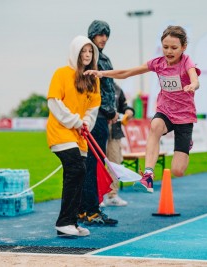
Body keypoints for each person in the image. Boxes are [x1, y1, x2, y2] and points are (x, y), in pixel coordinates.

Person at [85, 25, 200, 193]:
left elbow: (195, 78)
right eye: (165, 47)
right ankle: (148, 175)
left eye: (174, 48)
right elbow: (128, 72)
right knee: (155, 126)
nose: (169, 51)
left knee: (178, 171)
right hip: (165, 111)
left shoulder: (186, 61)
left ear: (183, 47)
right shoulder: (158, 63)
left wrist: (193, 85)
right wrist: (103, 74)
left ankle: (187, 142)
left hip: (184, 117)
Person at [46, 35, 101, 237]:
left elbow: (93, 109)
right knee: (76, 169)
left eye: (90, 52)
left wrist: (85, 123)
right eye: (83, 51)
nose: (87, 55)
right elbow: (54, 102)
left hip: (80, 135)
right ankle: (64, 222)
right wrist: (75, 121)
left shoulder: (93, 79)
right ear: (75, 53)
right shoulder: (61, 74)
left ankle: (71, 222)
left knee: (80, 172)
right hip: (60, 130)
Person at [78, 20, 119, 226]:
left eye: (106, 35)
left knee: (91, 164)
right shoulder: (91, 59)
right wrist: (110, 111)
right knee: (91, 165)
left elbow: (111, 88)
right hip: (95, 118)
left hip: (103, 118)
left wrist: (114, 111)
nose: (104, 38)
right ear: (92, 34)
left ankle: (86, 209)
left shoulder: (104, 58)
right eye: (100, 34)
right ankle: (90, 210)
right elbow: (97, 91)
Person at [103, 83, 134, 206]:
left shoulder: (116, 88)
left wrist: (129, 111)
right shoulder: (94, 85)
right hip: (98, 129)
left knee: (114, 163)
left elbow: (124, 106)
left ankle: (112, 195)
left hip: (115, 131)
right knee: (95, 163)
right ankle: (96, 197)